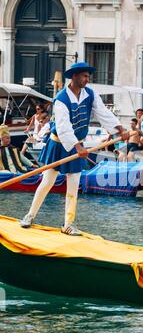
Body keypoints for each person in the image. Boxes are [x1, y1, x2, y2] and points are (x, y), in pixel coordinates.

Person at [20, 62, 128, 235]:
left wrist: (120, 129)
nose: (87, 79)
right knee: (47, 182)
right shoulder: (61, 99)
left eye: (88, 76)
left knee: (74, 185)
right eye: (85, 76)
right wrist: (77, 147)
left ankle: (68, 224)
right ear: (75, 77)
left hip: (78, 145)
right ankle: (30, 216)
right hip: (58, 144)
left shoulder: (90, 95)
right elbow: (63, 127)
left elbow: (103, 113)